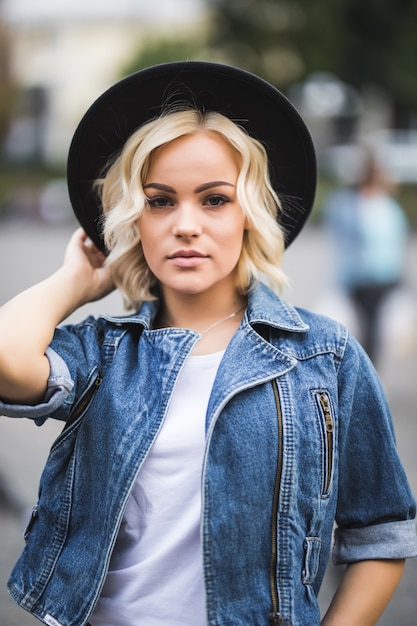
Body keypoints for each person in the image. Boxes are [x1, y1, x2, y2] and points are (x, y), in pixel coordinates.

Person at [0, 61, 416, 626]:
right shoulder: (103, 354)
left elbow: (381, 536)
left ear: (249, 212)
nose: (186, 224)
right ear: (134, 219)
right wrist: (77, 282)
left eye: (214, 199)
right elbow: (6, 360)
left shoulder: (326, 357)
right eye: (160, 200)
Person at [322, 154, 409, 365]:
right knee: (368, 327)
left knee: (371, 328)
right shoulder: (366, 204)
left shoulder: (366, 204)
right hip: (367, 276)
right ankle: (369, 371)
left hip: (375, 276)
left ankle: (369, 371)